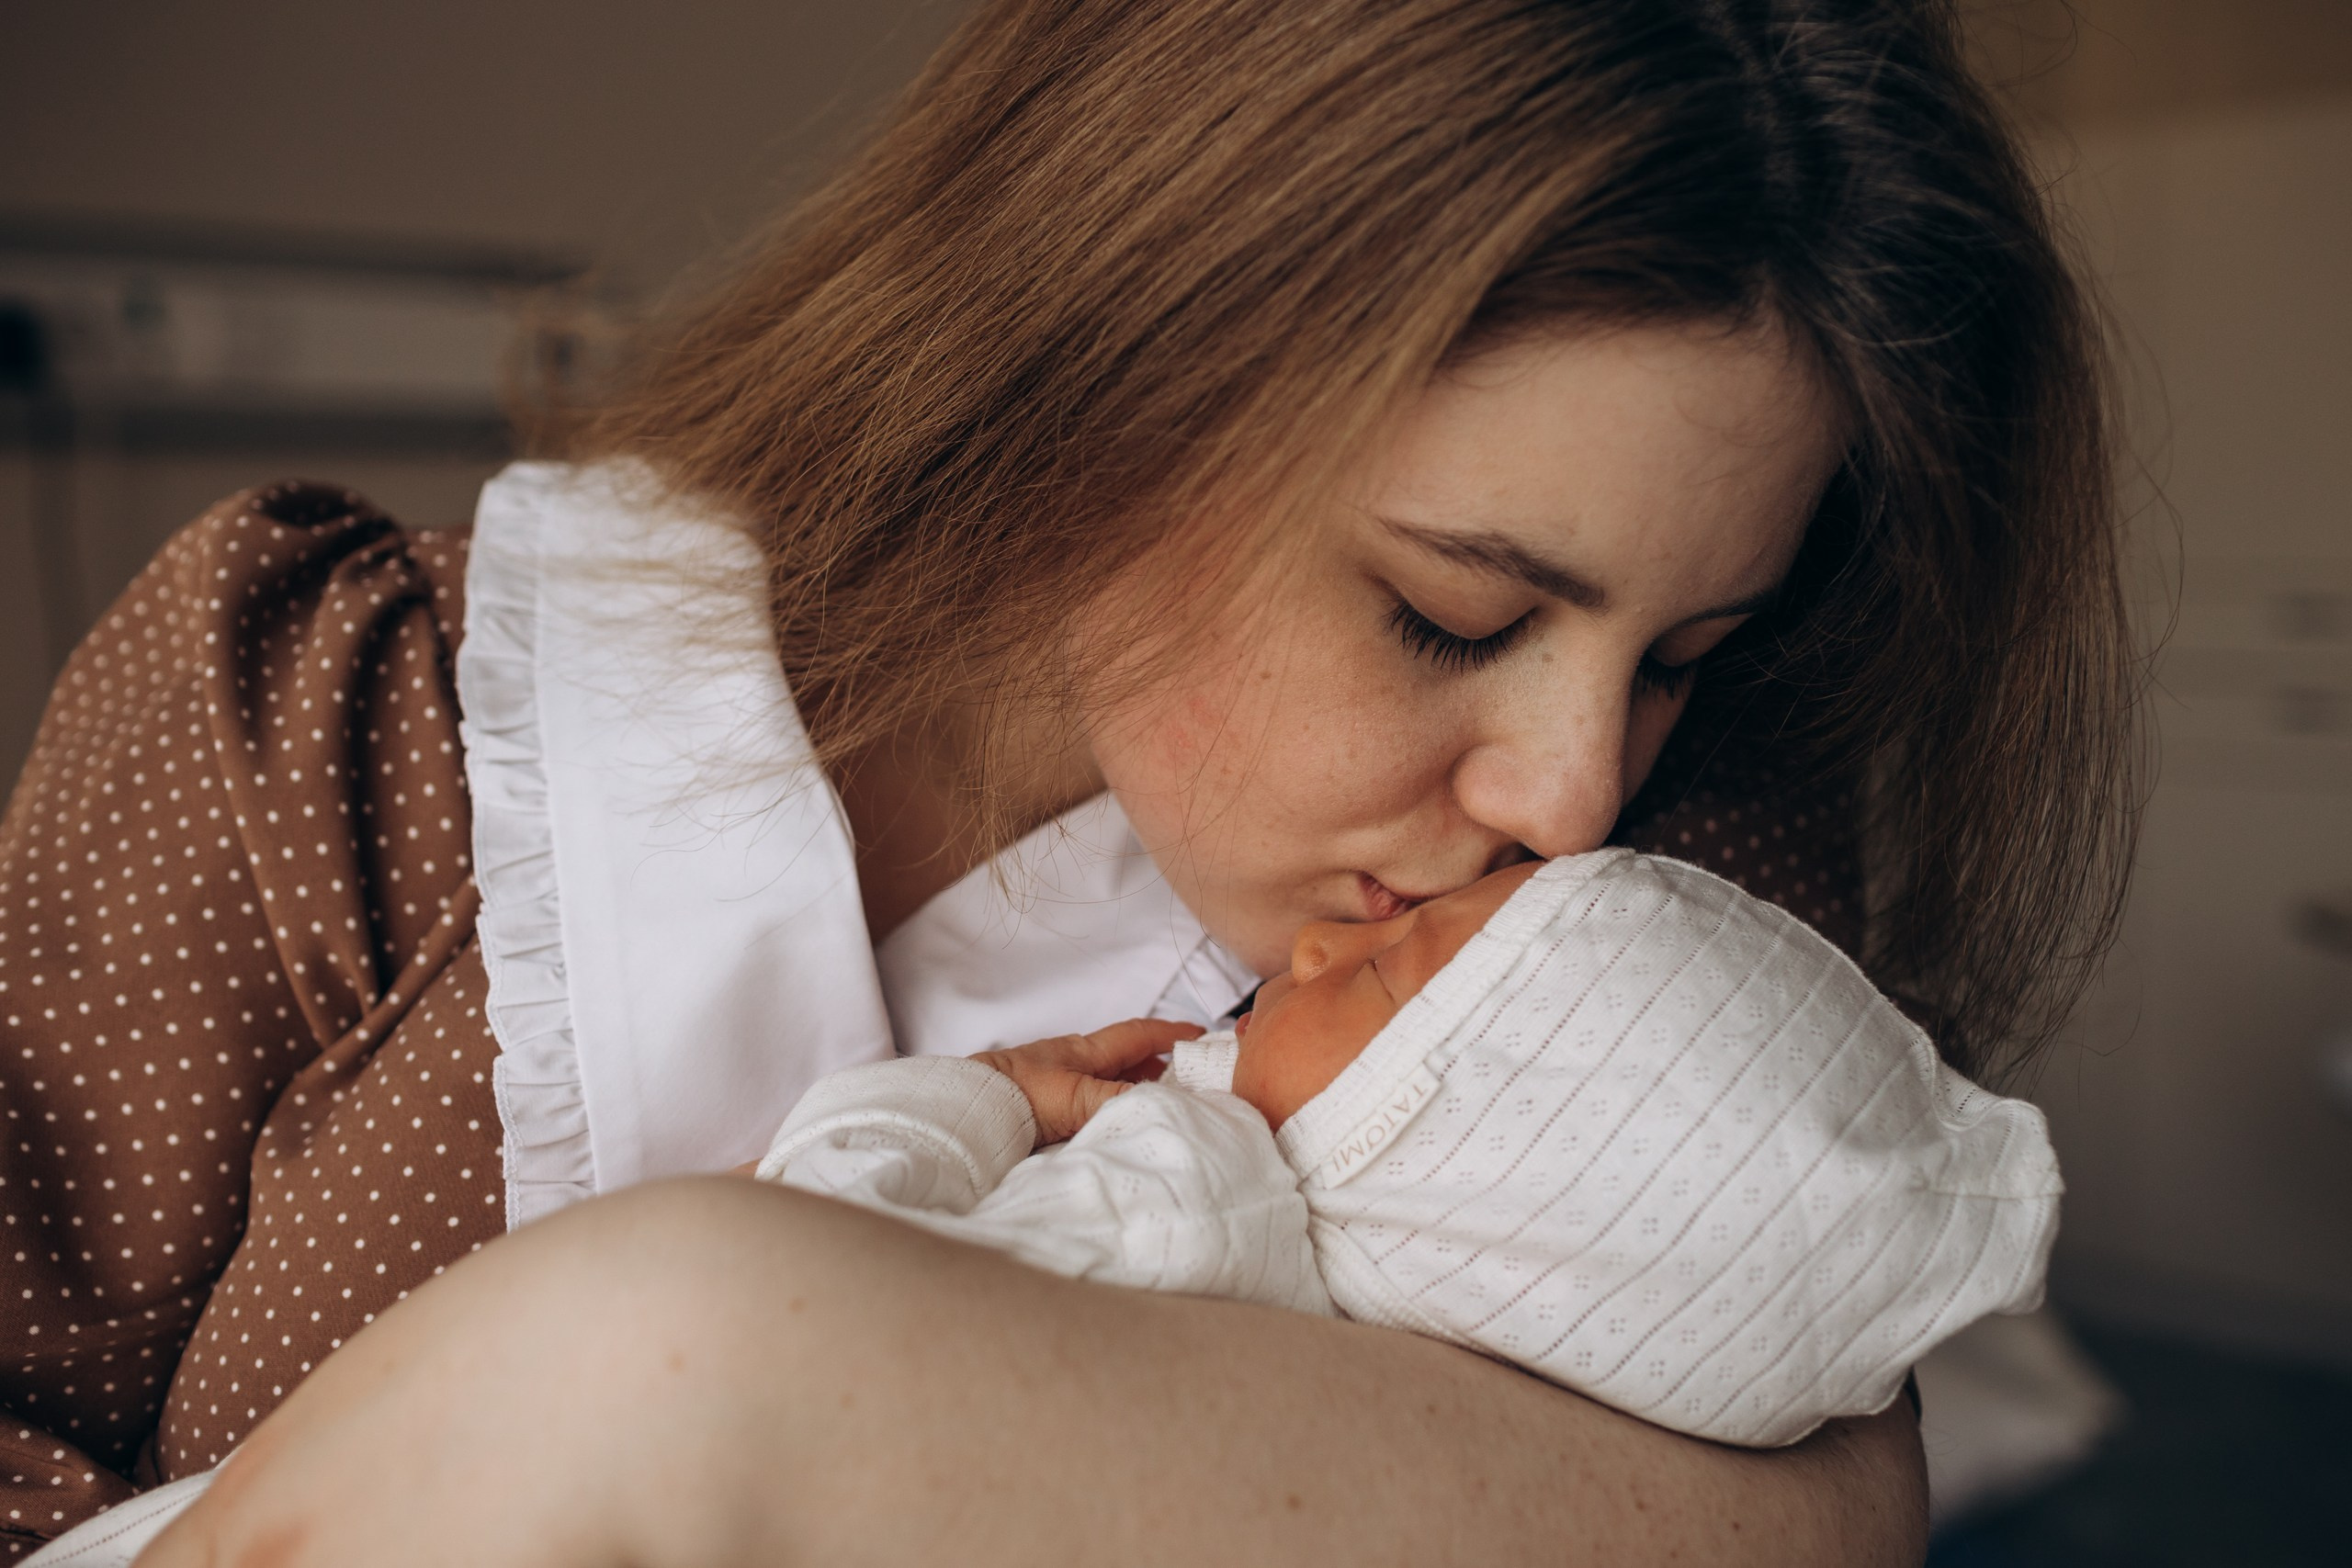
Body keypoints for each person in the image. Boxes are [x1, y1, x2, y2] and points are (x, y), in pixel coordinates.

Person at [0, 0, 2136, 1562]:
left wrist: (716, 1366)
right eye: (1449, 614)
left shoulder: (1642, 881)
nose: (1571, 793)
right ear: (1091, 388)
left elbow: (1818, 1501)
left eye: (1681, 657)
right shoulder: (319, 727)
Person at [756, 850, 2060, 1450]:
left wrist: (983, 1099)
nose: (1318, 948)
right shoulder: (1378, 1356)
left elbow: (802, 1272)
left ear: (1439, 1160)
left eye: (1384, 979)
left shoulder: (1182, 1208)